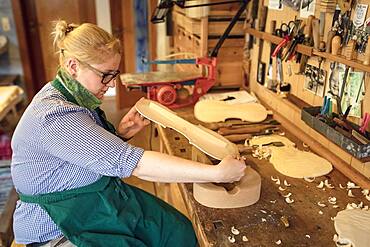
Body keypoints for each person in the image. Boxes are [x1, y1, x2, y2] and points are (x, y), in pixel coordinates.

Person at [11, 20, 246, 247]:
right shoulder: (55, 116)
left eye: (114, 74)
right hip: (57, 227)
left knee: (178, 231)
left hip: (91, 200)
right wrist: (216, 173)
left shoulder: (69, 95)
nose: (112, 84)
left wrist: (120, 135)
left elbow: (76, 154)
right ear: (73, 67)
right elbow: (134, 164)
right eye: (106, 75)